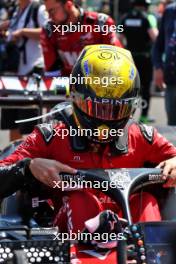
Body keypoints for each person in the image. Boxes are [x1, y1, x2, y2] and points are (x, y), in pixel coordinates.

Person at [0, 45, 176, 249]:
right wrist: (28, 166)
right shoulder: (51, 136)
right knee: (80, 198)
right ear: (75, 97)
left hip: (131, 241)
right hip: (67, 243)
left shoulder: (141, 135)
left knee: (145, 202)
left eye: (113, 110)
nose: (104, 122)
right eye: (97, 107)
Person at [0, 0, 48, 141]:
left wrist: (22, 32)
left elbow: (48, 31)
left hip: (32, 70)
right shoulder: (16, 10)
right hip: (13, 72)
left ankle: (30, 158)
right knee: (12, 121)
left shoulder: (38, 8)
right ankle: (15, 158)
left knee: (29, 121)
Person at [40, 0, 123, 76]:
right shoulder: (49, 30)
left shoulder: (101, 23)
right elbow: (51, 72)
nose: (49, 17)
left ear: (68, 4)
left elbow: (118, 63)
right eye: (47, 12)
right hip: (67, 87)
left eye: (52, 11)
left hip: (101, 85)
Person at [121, 0, 158, 124]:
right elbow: (155, 37)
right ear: (146, 5)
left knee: (129, 88)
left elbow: (119, 39)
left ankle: (126, 116)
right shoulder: (147, 18)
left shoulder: (125, 18)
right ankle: (144, 117)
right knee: (146, 88)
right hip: (145, 59)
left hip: (130, 59)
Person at [152, 2, 176, 126]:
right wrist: (158, 67)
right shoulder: (170, 11)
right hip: (171, 78)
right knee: (172, 124)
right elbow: (158, 45)